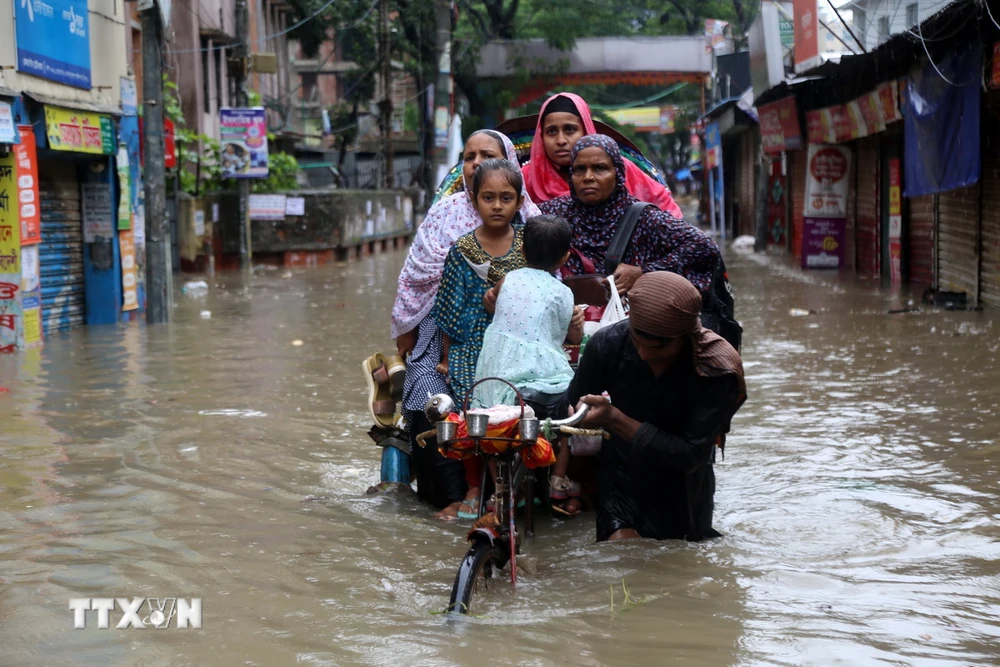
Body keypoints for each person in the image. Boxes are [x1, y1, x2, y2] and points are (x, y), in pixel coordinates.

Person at [390, 130, 540, 518]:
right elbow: (415, 276)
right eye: (468, 156)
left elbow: (546, 286)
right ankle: (451, 495)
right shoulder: (444, 214)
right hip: (439, 328)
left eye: (485, 154)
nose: (475, 163)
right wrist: (410, 333)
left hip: (515, 333)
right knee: (430, 397)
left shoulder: (530, 224)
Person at [567, 271, 746, 542]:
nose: (644, 354)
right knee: (621, 553)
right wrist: (576, 415)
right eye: (638, 342)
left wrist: (615, 419)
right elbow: (572, 404)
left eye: (658, 349)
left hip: (684, 486)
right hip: (622, 475)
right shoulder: (607, 344)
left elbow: (690, 454)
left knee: (680, 566)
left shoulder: (717, 370)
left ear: (685, 338)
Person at [430, 158, 530, 517]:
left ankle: (515, 486)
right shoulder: (460, 251)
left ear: (519, 201)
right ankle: (475, 484)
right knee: (470, 412)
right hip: (469, 345)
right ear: (474, 200)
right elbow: (447, 311)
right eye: (489, 197)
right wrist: (445, 358)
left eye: (506, 197)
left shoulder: (528, 247)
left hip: (517, 345)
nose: (498, 205)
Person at [470, 215, 586, 508]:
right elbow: (566, 338)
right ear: (565, 257)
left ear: (521, 250)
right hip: (543, 376)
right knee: (569, 412)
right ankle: (558, 478)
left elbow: (495, 301)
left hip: (498, 375)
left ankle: (501, 490)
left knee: (489, 418)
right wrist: (578, 323)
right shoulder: (563, 292)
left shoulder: (508, 279)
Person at [539, 134, 720, 297]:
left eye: (599, 168)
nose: (588, 177)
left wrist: (643, 273)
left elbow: (705, 247)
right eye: (579, 169)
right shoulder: (555, 213)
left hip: (631, 325)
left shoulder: (643, 218)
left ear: (618, 174)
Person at [522, 93, 684, 220]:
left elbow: (666, 208)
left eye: (570, 130)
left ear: (586, 129)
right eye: (551, 132)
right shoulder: (525, 179)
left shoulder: (619, 167)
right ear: (541, 136)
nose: (561, 140)